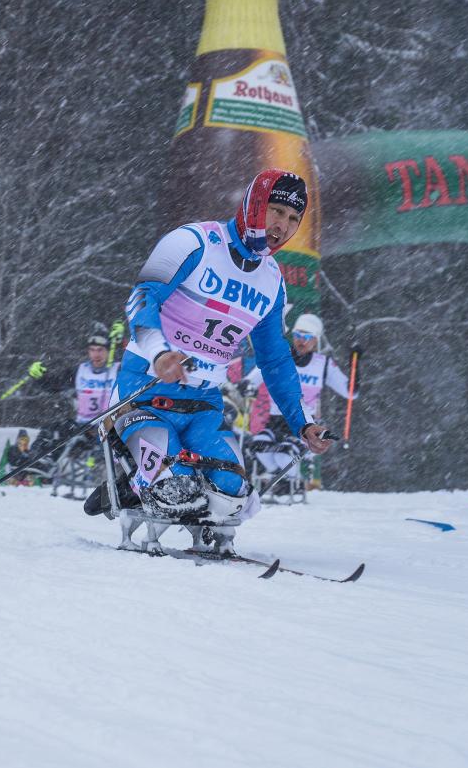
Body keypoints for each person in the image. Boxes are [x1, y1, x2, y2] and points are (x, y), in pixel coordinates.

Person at [92, 169, 334, 554]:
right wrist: (159, 353)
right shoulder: (193, 242)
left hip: (203, 405)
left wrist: (302, 423)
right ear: (255, 205)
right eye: (275, 211)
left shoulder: (273, 280)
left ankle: (204, 528)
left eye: (292, 219)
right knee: (178, 487)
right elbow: (141, 299)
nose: (282, 226)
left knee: (233, 492)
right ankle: (130, 486)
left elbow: (275, 360)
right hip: (146, 393)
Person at [243, 312, 358, 490]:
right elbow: (252, 380)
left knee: (283, 454)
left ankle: (291, 482)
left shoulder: (323, 364)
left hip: (305, 425)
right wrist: (245, 386)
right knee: (258, 447)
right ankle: (282, 479)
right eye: (298, 335)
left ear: (316, 340)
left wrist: (355, 366)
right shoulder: (281, 359)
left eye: (307, 337)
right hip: (276, 422)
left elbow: (351, 393)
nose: (301, 341)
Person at [27, 333, 121, 431]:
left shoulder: (119, 369)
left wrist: (122, 342)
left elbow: (137, 364)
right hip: (84, 429)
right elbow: (54, 385)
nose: (96, 355)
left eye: (100, 350)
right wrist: (39, 376)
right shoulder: (80, 371)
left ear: (108, 351)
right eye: (92, 350)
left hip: (112, 430)